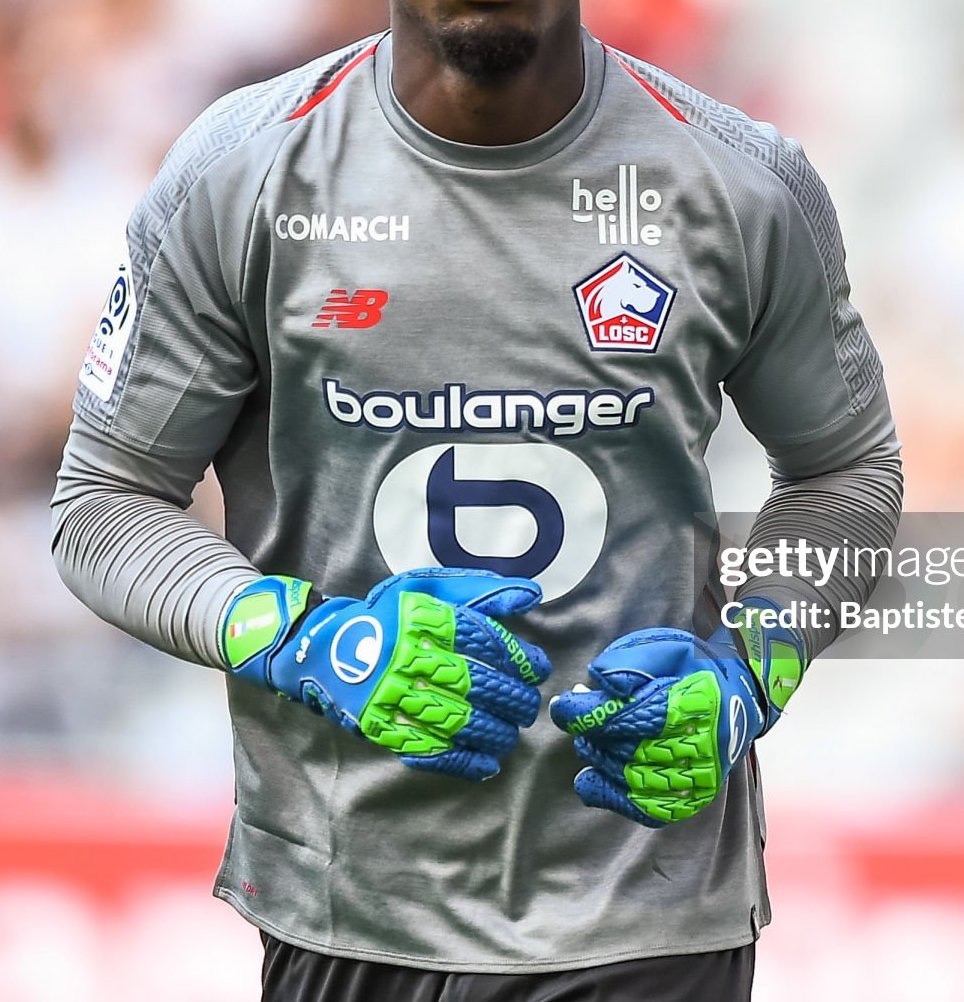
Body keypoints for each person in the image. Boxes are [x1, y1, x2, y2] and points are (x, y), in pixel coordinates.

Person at [51, 1, 903, 999]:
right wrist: (300, 638)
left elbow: (847, 470)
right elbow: (105, 499)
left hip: (649, 913)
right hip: (348, 906)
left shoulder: (739, 182)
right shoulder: (243, 172)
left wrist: (752, 665)